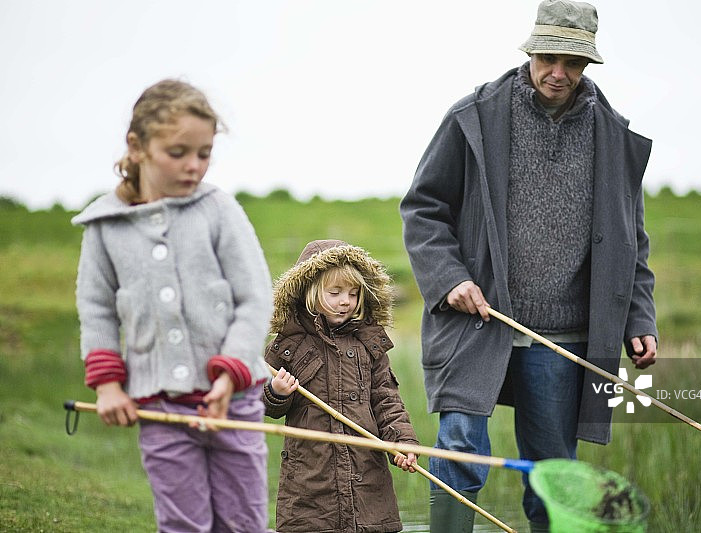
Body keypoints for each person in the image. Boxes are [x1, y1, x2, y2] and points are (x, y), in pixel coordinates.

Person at [399, 0, 658, 530]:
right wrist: (450, 280)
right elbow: (423, 209)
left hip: (563, 338)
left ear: (587, 65)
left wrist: (639, 319)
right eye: (548, 58)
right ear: (530, 50)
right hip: (477, 322)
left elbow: (632, 241)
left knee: (552, 472)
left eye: (572, 62)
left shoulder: (613, 136)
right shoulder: (473, 116)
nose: (558, 73)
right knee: (458, 456)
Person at [73, 79, 274, 532]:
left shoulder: (220, 210)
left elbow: (254, 297)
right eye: (178, 152)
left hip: (234, 402)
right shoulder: (104, 227)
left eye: (203, 154)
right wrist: (107, 386)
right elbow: (97, 310)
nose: (193, 166)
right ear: (138, 146)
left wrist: (229, 373)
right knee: (183, 525)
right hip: (159, 408)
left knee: (244, 523)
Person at [264, 239, 419, 533]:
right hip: (310, 478)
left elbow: (386, 399)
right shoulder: (289, 345)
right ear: (310, 293)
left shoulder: (369, 343)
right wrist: (276, 393)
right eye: (334, 293)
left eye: (353, 293)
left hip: (366, 472)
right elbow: (260, 402)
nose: (345, 301)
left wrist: (402, 441)